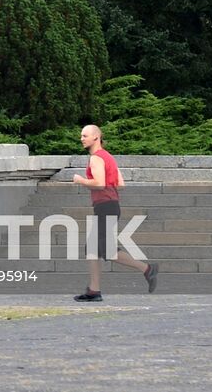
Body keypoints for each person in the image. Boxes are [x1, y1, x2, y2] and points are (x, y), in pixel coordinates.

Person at [72, 124, 158, 301]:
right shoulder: (109, 157)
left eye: (85, 135)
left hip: (105, 206)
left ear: (96, 137)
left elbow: (100, 184)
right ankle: (94, 291)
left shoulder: (96, 158)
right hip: (111, 205)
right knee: (93, 249)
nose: (82, 138)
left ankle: (147, 269)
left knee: (107, 251)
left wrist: (80, 180)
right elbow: (120, 184)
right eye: (81, 135)